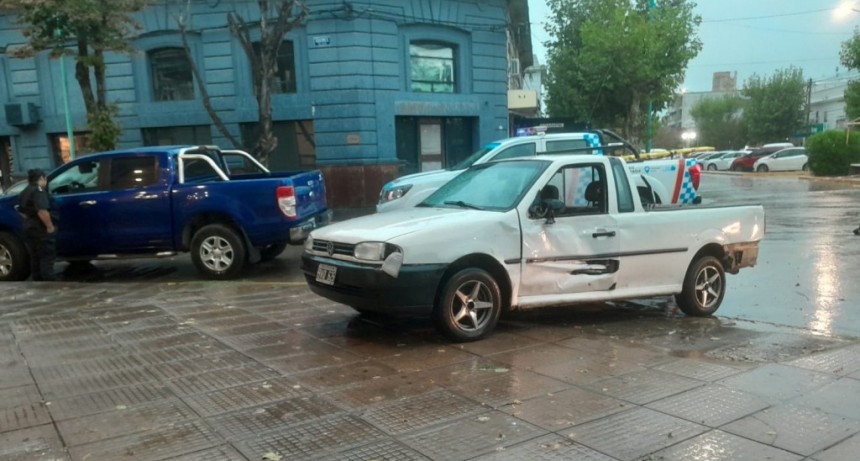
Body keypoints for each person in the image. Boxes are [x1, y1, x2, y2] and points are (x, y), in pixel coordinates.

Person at [17, 169, 57, 281]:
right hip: (40, 228)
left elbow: (20, 210)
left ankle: (38, 281)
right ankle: (48, 281)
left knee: (35, 257)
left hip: (29, 226)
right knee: (46, 256)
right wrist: (50, 226)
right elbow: (42, 211)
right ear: (41, 179)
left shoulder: (25, 191)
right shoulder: (38, 191)